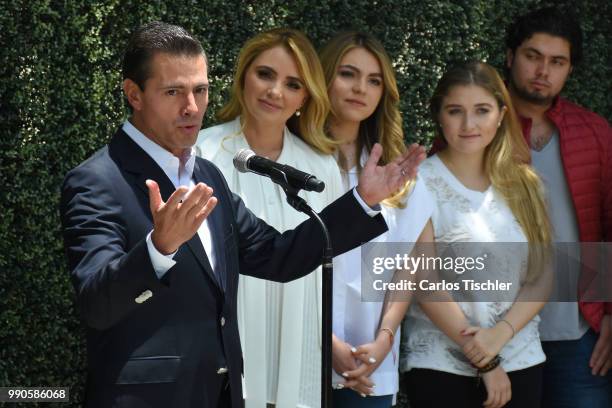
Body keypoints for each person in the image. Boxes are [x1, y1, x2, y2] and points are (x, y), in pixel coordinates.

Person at [59, 21, 426, 408]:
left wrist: (362, 200)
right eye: (173, 92)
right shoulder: (96, 180)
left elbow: (278, 255)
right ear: (134, 93)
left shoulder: (207, 173)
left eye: (199, 91)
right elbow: (96, 305)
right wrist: (158, 248)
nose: (191, 107)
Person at [195, 28, 342, 408]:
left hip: (300, 340)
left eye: (292, 83)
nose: (275, 91)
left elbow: (330, 264)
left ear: (305, 96)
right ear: (242, 75)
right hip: (225, 349)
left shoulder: (320, 167)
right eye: (265, 74)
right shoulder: (203, 153)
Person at [400, 61, 552, 408]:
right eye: (456, 111)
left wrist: (500, 336)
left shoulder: (527, 185)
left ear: (501, 113)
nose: (469, 124)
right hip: (440, 364)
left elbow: (543, 275)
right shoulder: (417, 183)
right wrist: (484, 359)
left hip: (521, 358)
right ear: (439, 115)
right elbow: (424, 279)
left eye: (482, 110)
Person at [504, 7, 612, 407]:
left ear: (569, 69)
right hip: (500, 331)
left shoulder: (595, 132)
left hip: (581, 336)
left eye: (557, 61)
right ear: (511, 56)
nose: (542, 70)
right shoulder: (476, 126)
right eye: (533, 56)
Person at [319, 31, 432, 407]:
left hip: (371, 362)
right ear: (325, 77)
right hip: (302, 352)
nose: (360, 89)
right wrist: (326, 341)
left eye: (374, 80)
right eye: (348, 74)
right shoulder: (295, 163)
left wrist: (384, 339)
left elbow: (409, 266)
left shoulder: (398, 174)